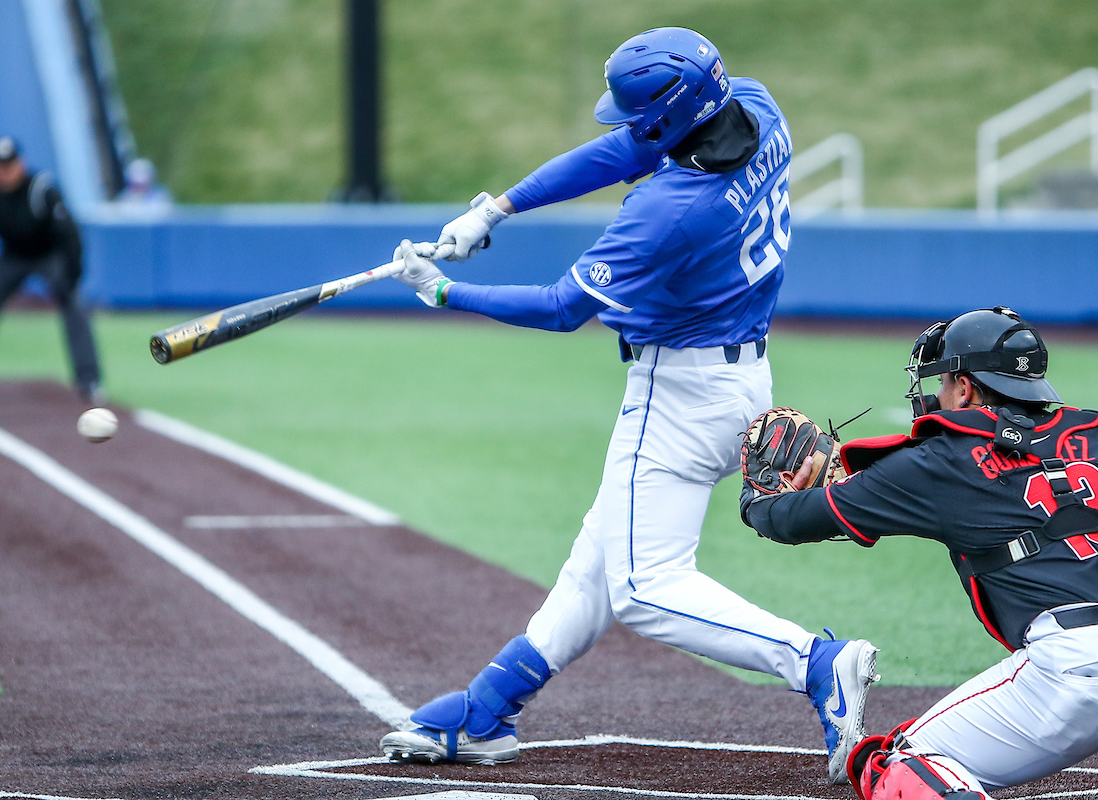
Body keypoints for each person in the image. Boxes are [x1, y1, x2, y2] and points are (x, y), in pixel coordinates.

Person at [380, 27, 877, 784]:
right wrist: (498, 209)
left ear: (673, 115)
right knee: (600, 562)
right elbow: (622, 151)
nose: (629, 126)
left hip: (677, 397)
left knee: (644, 587)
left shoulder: (672, 211)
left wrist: (445, 291)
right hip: (739, 380)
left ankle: (814, 662)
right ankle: (487, 710)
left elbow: (561, 307)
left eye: (642, 115)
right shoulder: (755, 106)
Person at [740, 306, 1098, 799]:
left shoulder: (944, 458)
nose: (936, 394)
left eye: (943, 381)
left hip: (1074, 671)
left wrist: (757, 499)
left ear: (965, 388)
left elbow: (791, 519)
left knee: (898, 763)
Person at [0, 135, 104, 402]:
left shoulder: (41, 189)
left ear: (20, 164)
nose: (5, 172)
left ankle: (89, 380)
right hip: (12, 256)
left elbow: (70, 234)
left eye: (10, 165)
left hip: (49, 254)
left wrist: (72, 276)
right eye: (0, 166)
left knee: (74, 303)